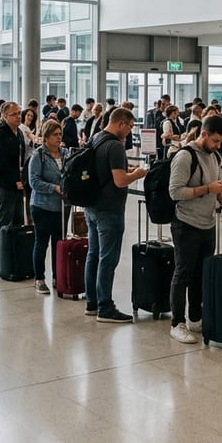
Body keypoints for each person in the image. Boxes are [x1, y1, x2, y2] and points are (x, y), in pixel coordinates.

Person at [167, 114, 222, 344]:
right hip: (186, 224)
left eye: (221, 142)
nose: (218, 145)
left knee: (201, 274)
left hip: (208, 223)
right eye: (215, 141)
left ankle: (195, 316)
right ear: (203, 134)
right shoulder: (185, 156)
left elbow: (217, 183)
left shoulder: (214, 155)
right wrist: (207, 189)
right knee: (183, 272)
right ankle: (177, 322)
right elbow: (175, 192)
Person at [84, 107, 147, 324]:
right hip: (109, 210)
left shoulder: (96, 139)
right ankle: (105, 307)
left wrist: (123, 167)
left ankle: (92, 302)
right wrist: (136, 173)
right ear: (121, 123)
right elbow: (120, 181)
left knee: (93, 255)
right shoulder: (116, 146)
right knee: (107, 259)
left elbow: (105, 169)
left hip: (91, 206)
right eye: (130, 127)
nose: (130, 132)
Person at [28, 119, 66, 296]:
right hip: (42, 206)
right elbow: (34, 182)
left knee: (59, 243)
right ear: (46, 137)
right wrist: (54, 188)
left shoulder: (65, 153)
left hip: (62, 207)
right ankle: (39, 278)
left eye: (60, 134)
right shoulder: (39, 155)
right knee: (41, 243)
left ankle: (58, 277)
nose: (59, 138)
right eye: (55, 135)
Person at [0, 103, 28, 271]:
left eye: (19, 113)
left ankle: (14, 257)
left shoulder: (18, 132)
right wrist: (13, 181)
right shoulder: (0, 135)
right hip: (4, 186)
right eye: (14, 114)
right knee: (4, 223)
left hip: (17, 185)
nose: (18, 117)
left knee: (18, 222)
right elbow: (0, 165)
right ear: (4, 116)